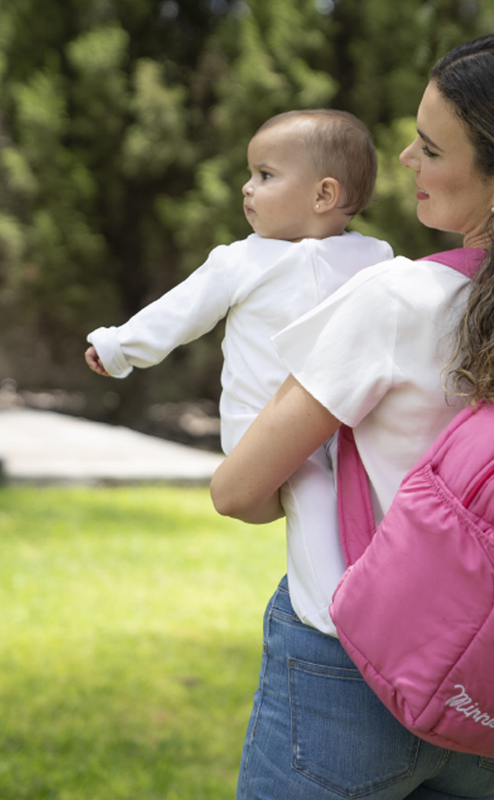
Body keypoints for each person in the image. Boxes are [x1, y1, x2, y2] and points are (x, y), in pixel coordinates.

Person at [211, 33, 494, 800]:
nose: (406, 161)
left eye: (429, 147)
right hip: (487, 684)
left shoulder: (397, 299)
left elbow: (238, 491)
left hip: (347, 668)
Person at [85, 110, 393, 631]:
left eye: (265, 176)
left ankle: (393, 590)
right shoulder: (240, 262)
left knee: (376, 490)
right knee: (313, 492)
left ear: (323, 195)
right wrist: (119, 348)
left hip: (346, 420)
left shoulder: (374, 258)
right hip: (263, 427)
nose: (247, 189)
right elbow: (178, 312)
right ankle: (334, 616)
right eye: (251, 174)